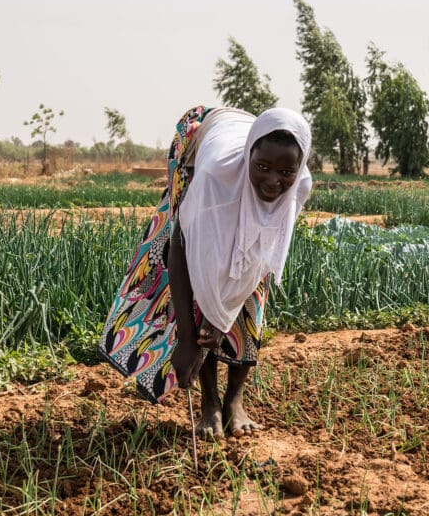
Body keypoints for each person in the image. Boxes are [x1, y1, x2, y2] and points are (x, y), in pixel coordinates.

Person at [99, 105, 312, 438]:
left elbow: (259, 259)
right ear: (249, 155)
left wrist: (221, 316)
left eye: (286, 172)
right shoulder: (214, 177)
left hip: (240, 138)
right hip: (198, 141)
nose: (273, 181)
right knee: (203, 285)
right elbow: (182, 245)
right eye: (262, 168)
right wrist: (188, 337)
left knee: (252, 288)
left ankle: (234, 401)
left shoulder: (298, 186)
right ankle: (209, 402)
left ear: (299, 169)